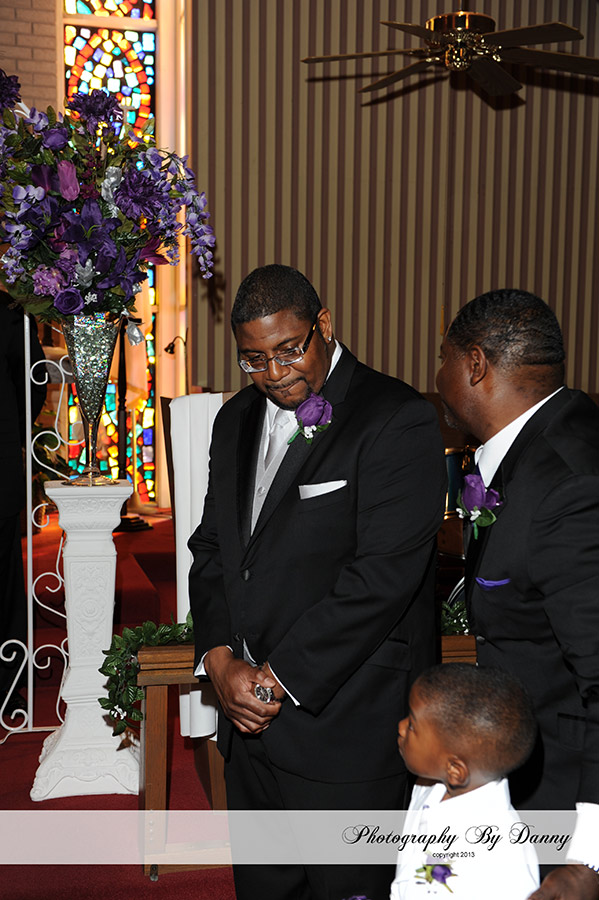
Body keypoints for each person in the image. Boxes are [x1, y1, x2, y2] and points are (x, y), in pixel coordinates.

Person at [189, 263, 447, 900]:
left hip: (347, 724)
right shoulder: (234, 419)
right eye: (254, 359)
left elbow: (383, 578)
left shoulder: (396, 416)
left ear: (324, 325)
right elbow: (215, 549)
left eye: (289, 350)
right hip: (245, 722)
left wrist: (276, 680)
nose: (274, 374)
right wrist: (218, 659)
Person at [436, 289, 599, 900]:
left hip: (564, 793)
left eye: (444, 358)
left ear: (474, 364)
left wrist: (588, 857)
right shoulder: (549, 437)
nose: (438, 375)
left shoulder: (568, 486)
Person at [391, 662, 540, 899]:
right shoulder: (429, 785)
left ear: (455, 770)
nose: (400, 727)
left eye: (412, 725)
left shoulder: (504, 857)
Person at [0, 289, 46, 719]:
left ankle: (8, 684)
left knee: (5, 582)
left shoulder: (11, 312)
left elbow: (33, 382)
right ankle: (7, 686)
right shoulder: (9, 312)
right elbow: (31, 386)